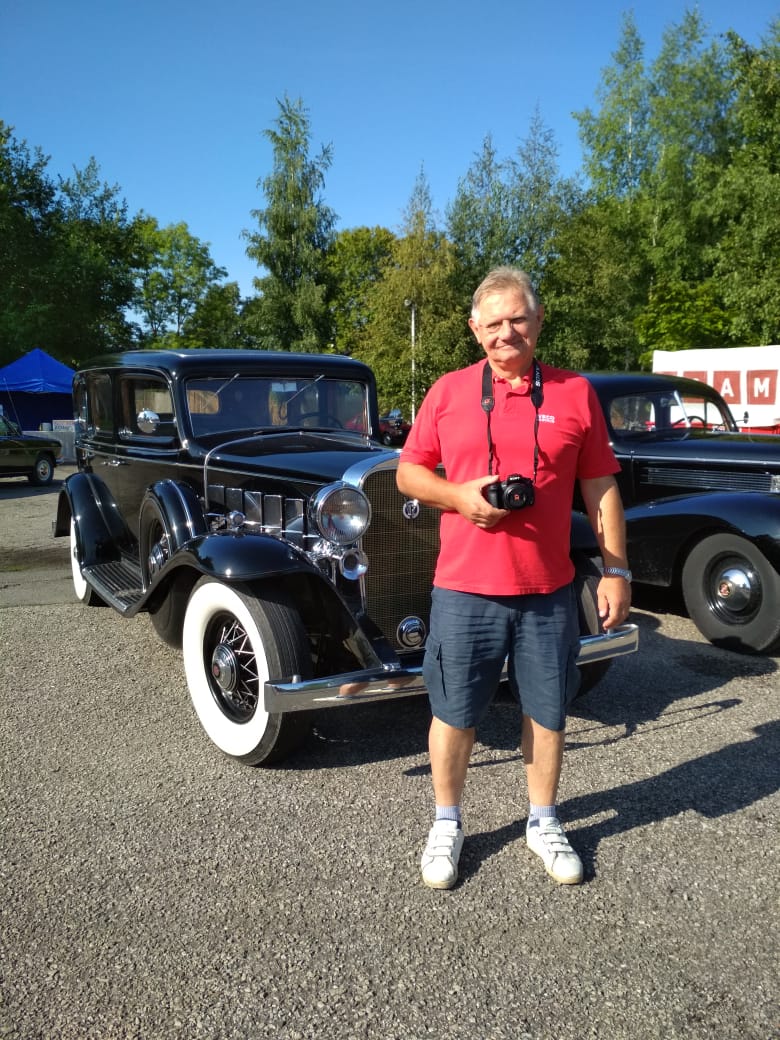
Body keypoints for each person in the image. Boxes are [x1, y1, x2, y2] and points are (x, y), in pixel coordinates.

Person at [396, 266, 631, 890]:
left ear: (538, 320)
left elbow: (601, 488)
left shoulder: (575, 393)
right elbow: (408, 474)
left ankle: (543, 820)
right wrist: (458, 496)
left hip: (549, 589)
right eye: (493, 322)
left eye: (517, 319)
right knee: (454, 711)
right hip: (464, 588)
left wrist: (616, 571)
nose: (507, 332)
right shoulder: (447, 392)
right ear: (476, 330)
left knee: (548, 711)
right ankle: (447, 822)